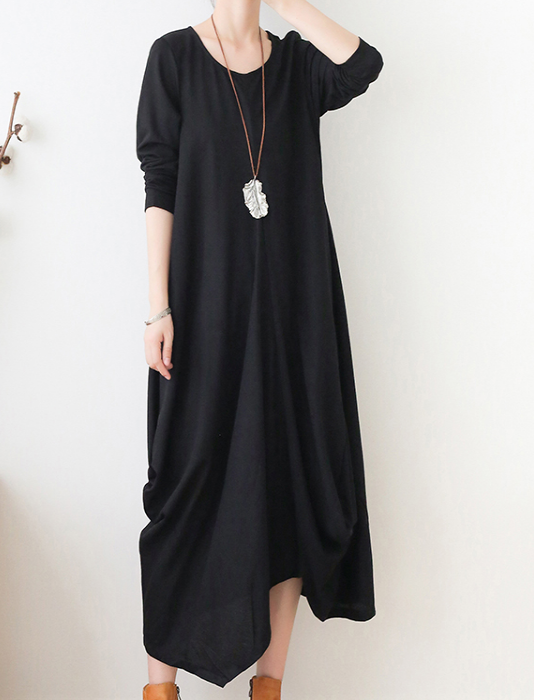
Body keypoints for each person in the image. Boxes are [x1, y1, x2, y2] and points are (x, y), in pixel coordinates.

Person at [135, 0, 384, 697]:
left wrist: (287, 5)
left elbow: (363, 65)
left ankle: (268, 687)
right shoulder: (173, 59)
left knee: (289, 488)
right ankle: (160, 690)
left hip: (294, 319)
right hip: (202, 315)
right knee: (185, 490)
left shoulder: (299, 65)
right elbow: (159, 185)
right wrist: (158, 306)